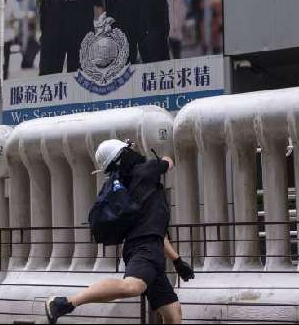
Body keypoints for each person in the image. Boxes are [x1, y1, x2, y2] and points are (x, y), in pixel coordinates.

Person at [45, 139, 194, 324]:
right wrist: (163, 154)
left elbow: (155, 230)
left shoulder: (129, 186)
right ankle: (65, 302)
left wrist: (177, 261)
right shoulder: (146, 171)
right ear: (123, 155)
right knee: (132, 286)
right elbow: (168, 161)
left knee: (173, 315)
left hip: (150, 249)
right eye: (128, 149)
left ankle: (66, 302)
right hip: (144, 250)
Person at [3, 0, 20, 80]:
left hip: (8, 34)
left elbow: (16, 17)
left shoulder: (13, 2)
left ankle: (5, 76)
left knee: (6, 57)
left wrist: (8, 21)